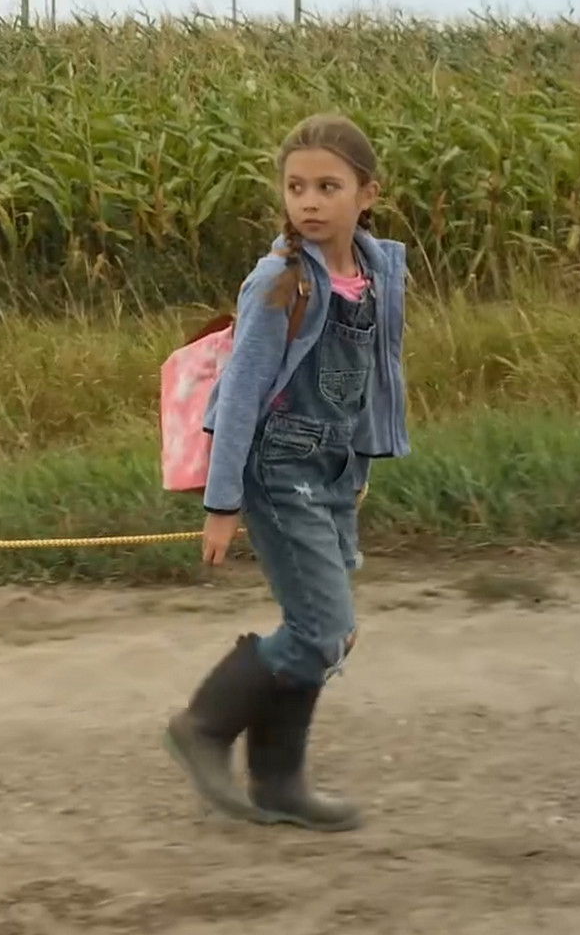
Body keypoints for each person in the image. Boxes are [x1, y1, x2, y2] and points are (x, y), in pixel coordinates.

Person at [162, 112, 409, 832]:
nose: (310, 201)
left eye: (328, 186)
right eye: (296, 186)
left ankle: (278, 782)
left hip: (331, 470)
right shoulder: (278, 281)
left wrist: (361, 463)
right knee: (321, 630)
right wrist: (222, 502)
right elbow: (238, 395)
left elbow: (376, 377)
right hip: (276, 469)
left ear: (367, 193)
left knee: (332, 634)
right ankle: (204, 725)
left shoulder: (377, 274)